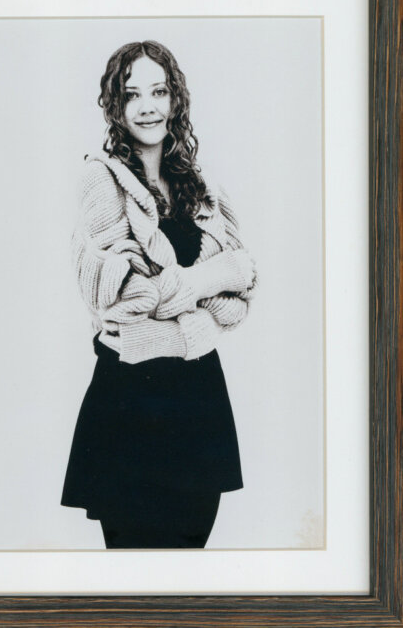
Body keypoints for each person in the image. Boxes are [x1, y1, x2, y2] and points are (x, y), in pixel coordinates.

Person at [61, 40, 256, 549]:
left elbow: (243, 282)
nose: (147, 106)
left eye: (159, 91)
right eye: (132, 94)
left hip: (200, 402)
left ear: (175, 99)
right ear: (115, 105)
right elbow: (118, 300)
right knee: (134, 574)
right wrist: (203, 292)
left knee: (188, 571)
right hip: (129, 401)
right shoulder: (100, 179)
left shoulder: (200, 186)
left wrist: (192, 286)